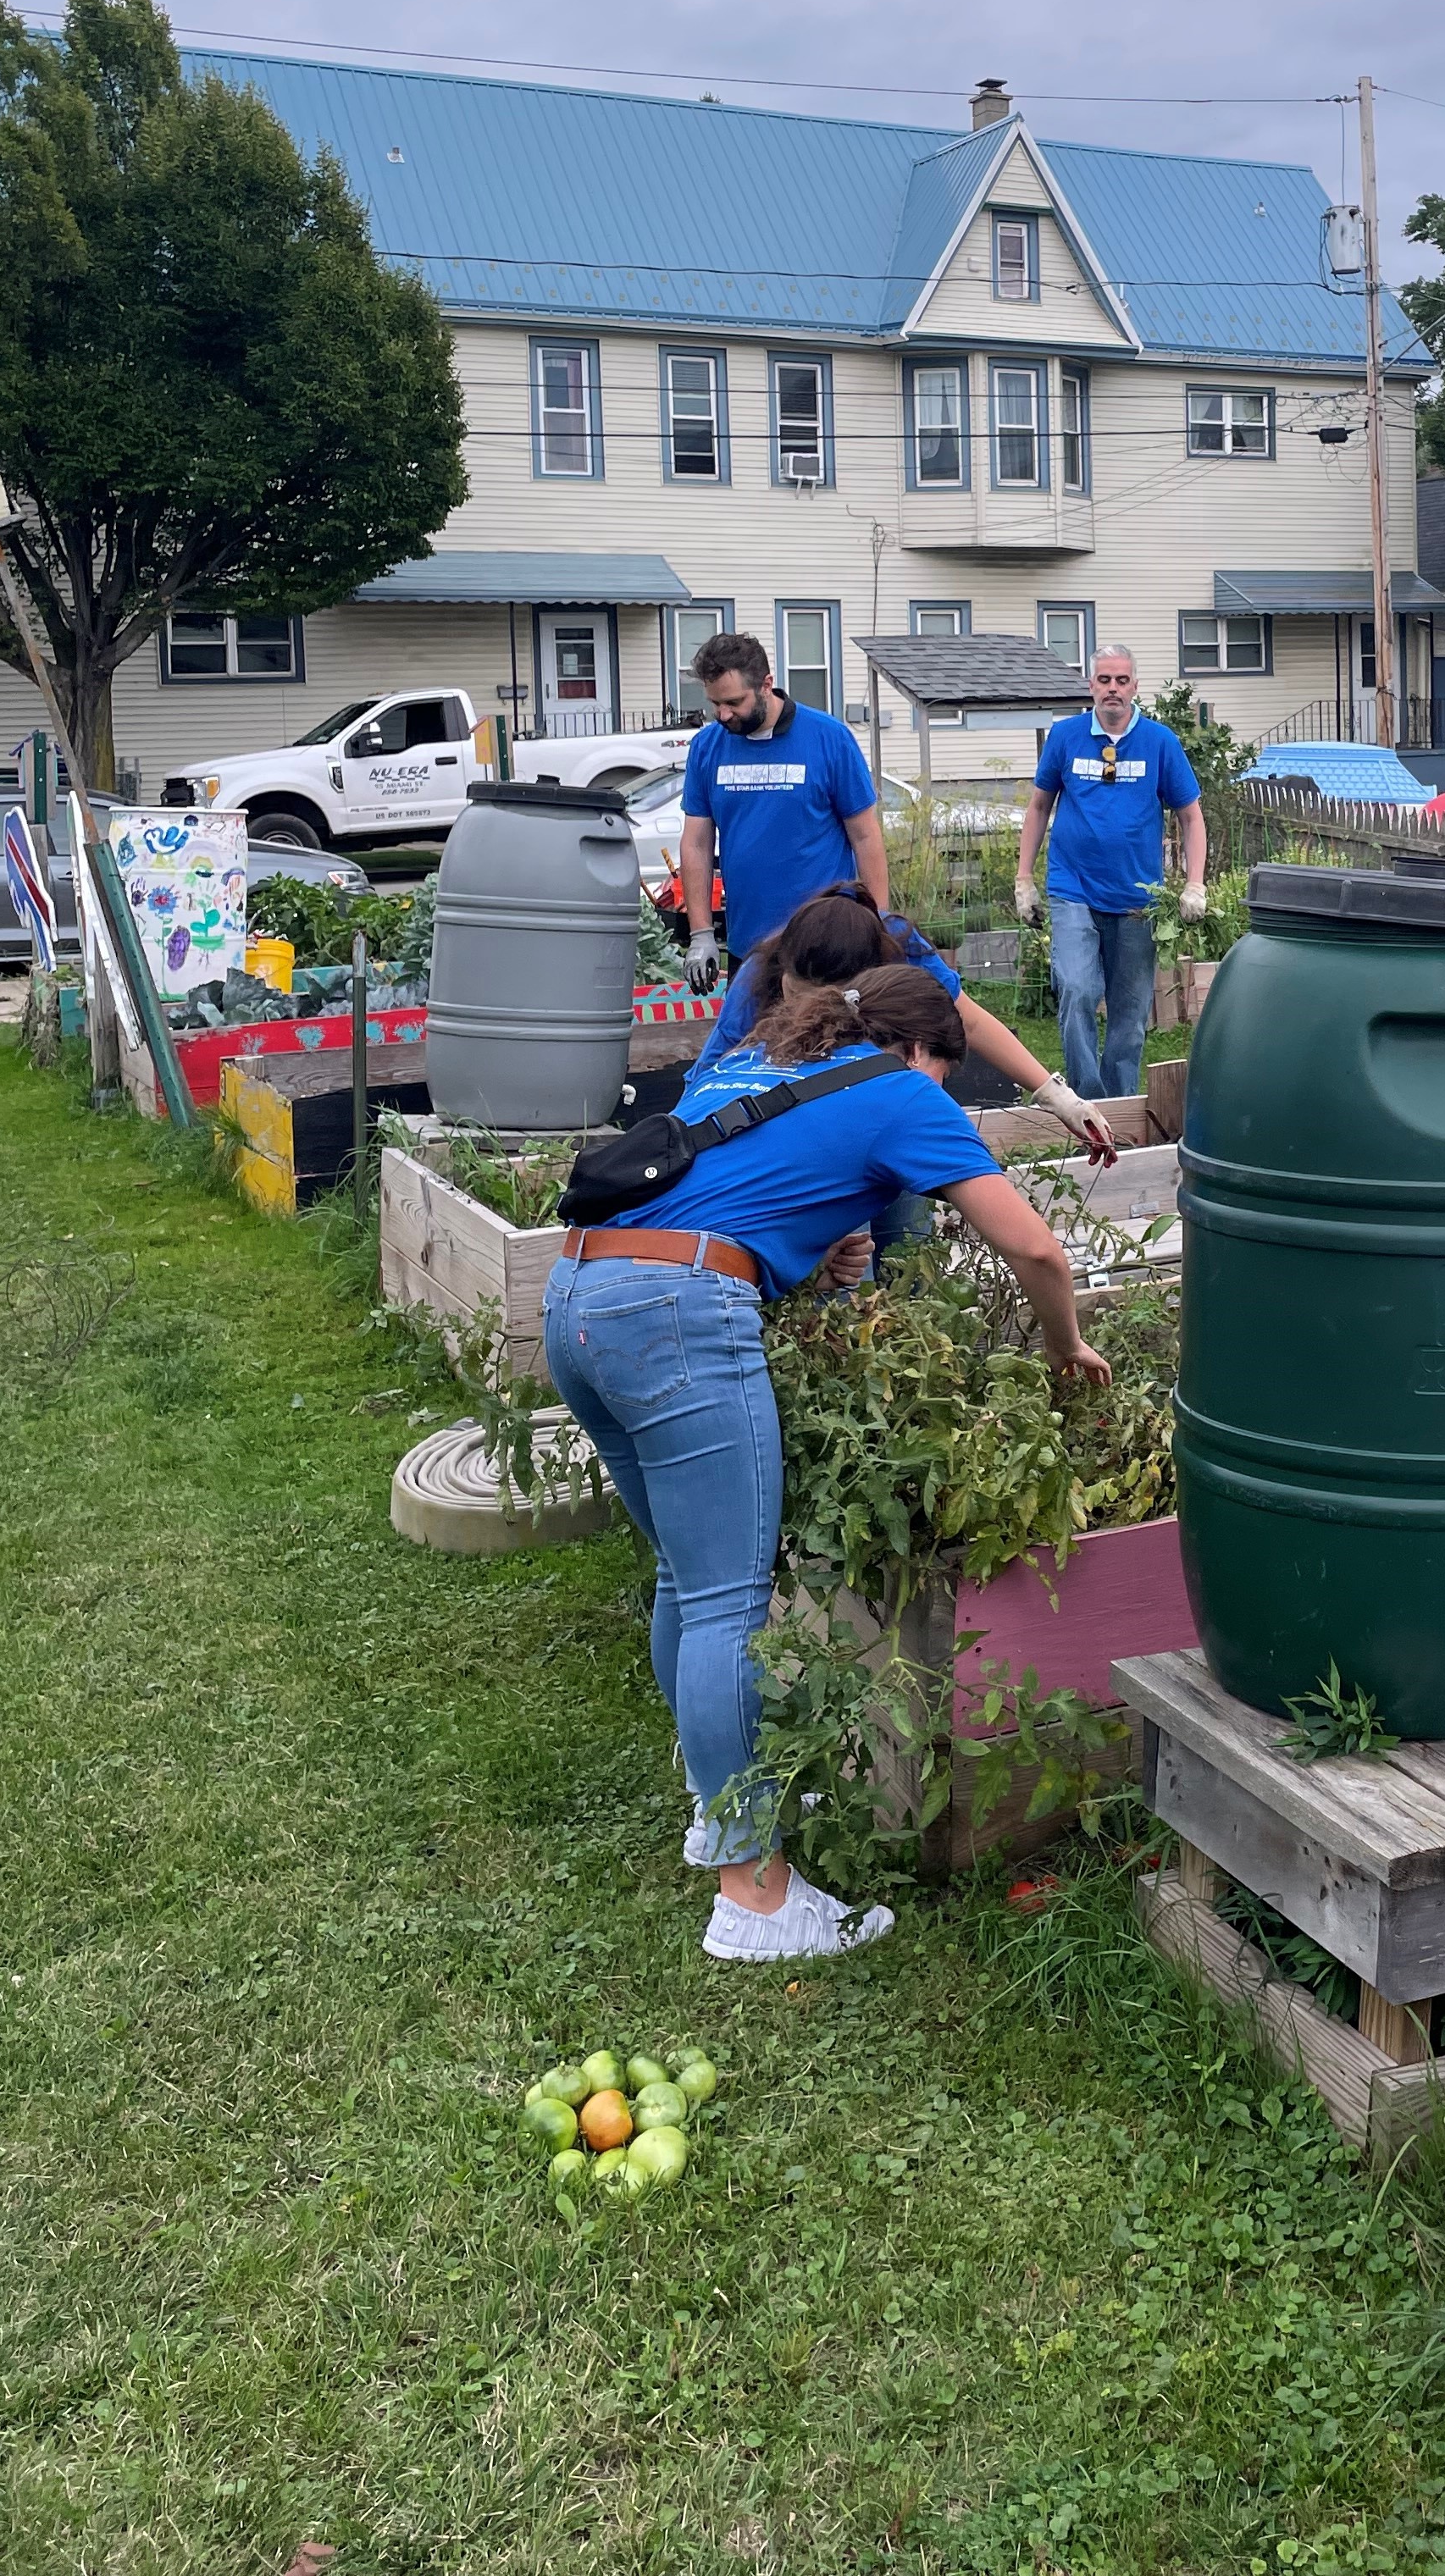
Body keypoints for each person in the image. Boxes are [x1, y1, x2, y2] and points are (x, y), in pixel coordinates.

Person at [544, 961, 1113, 1965]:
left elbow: (750, 1187)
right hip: (676, 1316)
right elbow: (1038, 1252)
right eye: (946, 1074)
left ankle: (718, 1795)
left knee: (686, 1573)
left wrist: (829, 1246)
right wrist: (1066, 1348)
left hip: (578, 1296)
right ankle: (753, 1897)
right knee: (728, 1598)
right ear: (922, 1052)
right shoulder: (901, 1092)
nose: (939, 1096)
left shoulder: (759, 1061)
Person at [695, 878, 1121, 1192]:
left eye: (821, 1001)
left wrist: (1056, 1095)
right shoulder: (759, 973)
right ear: (782, 971)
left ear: (870, 977)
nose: (806, 1013)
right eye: (797, 995)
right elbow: (707, 1082)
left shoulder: (900, 949)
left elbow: (968, 1021)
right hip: (792, 1135)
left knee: (904, 1239)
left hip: (874, 1112)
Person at [1015, 643, 1206, 1101]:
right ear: (1091, 686)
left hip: (1137, 900)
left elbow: (1191, 816)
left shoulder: (1160, 742)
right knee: (1077, 989)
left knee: (1131, 1012)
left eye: (1122, 681)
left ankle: (1118, 1105)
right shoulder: (1065, 737)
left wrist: (1195, 883)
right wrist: (1024, 879)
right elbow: (1040, 806)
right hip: (1072, 888)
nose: (1113, 689)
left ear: (1135, 687)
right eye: (1104, 680)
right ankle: (1085, 1101)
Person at [677, 629, 887, 991]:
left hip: (826, 949)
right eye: (715, 704)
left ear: (766, 684)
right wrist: (701, 934)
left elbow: (866, 837)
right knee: (752, 1047)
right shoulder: (706, 748)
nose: (723, 715)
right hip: (750, 947)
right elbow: (695, 844)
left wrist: (879, 926)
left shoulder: (829, 738)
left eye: (734, 702)